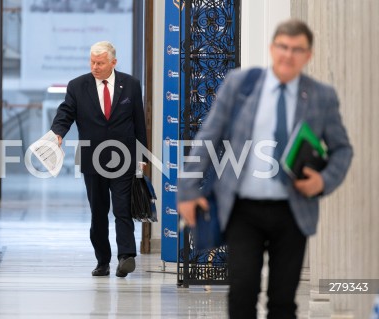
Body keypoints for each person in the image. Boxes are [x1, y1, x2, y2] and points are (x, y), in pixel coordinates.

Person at [177, 19, 353, 318]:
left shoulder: (321, 97)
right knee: (243, 292)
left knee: (283, 301)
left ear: (308, 55)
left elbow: (342, 149)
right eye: (283, 47)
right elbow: (208, 137)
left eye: (297, 49)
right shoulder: (241, 85)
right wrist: (187, 190)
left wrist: (323, 181)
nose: (288, 55)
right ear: (272, 49)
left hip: (293, 210)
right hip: (244, 209)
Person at [51, 41, 147, 277]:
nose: (95, 66)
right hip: (92, 157)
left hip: (123, 156)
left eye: (100, 63)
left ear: (113, 63)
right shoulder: (77, 86)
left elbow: (139, 123)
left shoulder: (131, 85)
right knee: (98, 211)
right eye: (92, 62)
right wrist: (57, 133)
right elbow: (66, 112)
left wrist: (141, 157)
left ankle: (126, 256)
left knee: (122, 208)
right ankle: (102, 260)